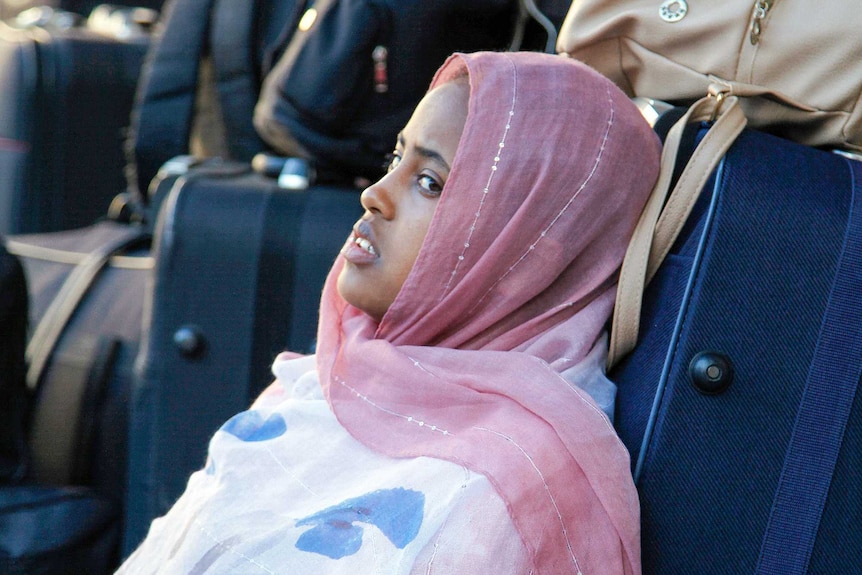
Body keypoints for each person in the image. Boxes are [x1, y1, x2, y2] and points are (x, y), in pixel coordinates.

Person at [117, 50, 661, 575]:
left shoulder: (523, 484)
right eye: (395, 159)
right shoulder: (332, 378)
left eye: (430, 182)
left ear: (529, 251)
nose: (375, 195)